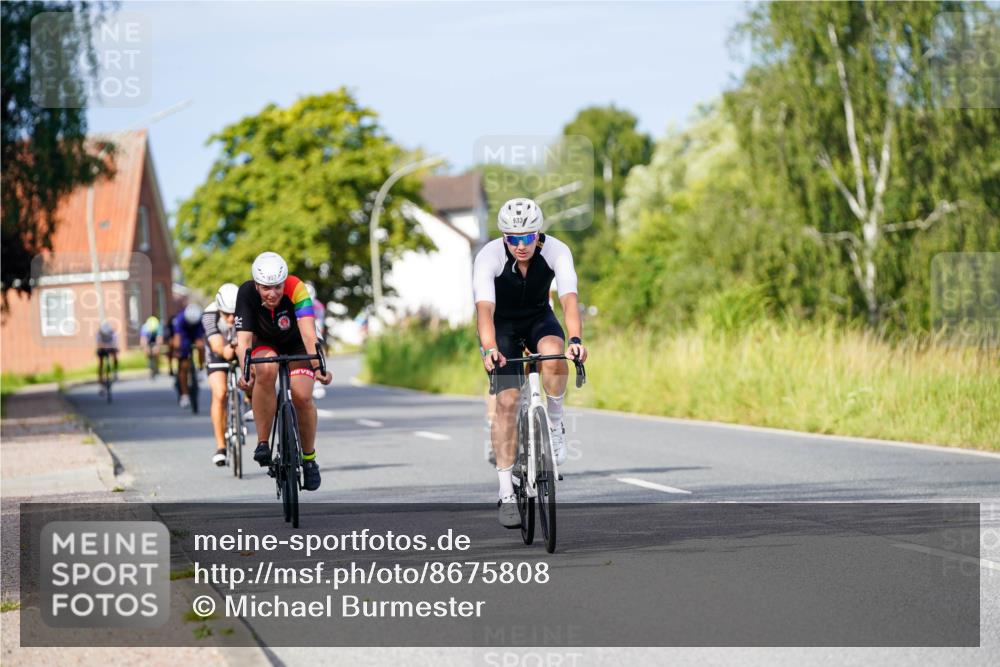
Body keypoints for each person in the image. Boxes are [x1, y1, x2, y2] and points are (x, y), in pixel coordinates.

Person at [473, 198, 588, 527]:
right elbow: (485, 310)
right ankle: (506, 491)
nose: (520, 245)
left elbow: (569, 300)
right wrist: (489, 349)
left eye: (527, 237)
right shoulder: (488, 256)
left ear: (538, 234)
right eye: (513, 238)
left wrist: (576, 340)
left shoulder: (557, 251)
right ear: (504, 236)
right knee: (507, 402)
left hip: (539, 318)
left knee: (554, 350)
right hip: (502, 326)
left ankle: (555, 423)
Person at [235, 252, 332, 491]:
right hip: (265, 343)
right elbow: (244, 341)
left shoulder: (297, 288)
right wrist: (245, 372)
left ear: (284, 282)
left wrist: (319, 367)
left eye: (277, 287)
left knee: (302, 396)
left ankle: (309, 460)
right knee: (266, 370)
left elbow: (309, 334)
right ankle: (263, 443)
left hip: (298, 343)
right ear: (256, 285)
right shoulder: (246, 293)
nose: (273, 293)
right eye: (266, 288)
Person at [204, 283, 240, 466]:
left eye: (235, 313)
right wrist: (232, 347)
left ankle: (249, 399)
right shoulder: (209, 315)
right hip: (218, 351)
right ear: (219, 309)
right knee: (220, 393)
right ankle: (221, 447)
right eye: (227, 314)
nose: (232, 318)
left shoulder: (246, 308)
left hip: (240, 346)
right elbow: (220, 349)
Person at [172, 303, 205, 409]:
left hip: (195, 332)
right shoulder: (180, 319)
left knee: (201, 346)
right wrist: (178, 351)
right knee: (183, 366)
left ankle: (201, 368)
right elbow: (177, 338)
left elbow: (200, 338)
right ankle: (185, 395)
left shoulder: (199, 320)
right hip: (184, 334)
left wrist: (200, 345)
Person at [305, 282, 327, 400]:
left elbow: (320, 325)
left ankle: (318, 375)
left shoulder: (318, 306)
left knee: (315, 342)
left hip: (314, 325)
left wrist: (316, 339)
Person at [95, 320, 119, 390]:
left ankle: (115, 371)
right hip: (102, 348)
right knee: (101, 363)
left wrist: (113, 347)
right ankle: (100, 378)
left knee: (115, 355)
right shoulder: (99, 333)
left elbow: (115, 342)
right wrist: (103, 346)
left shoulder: (113, 333)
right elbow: (98, 344)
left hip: (110, 347)